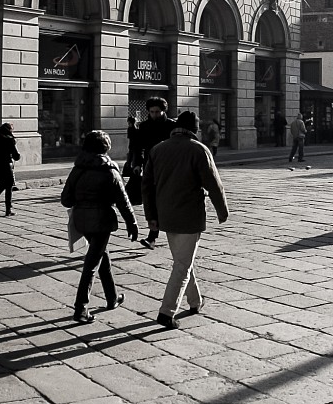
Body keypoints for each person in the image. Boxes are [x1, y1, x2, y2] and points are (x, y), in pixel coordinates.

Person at [142, 110, 226, 329]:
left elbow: (146, 186)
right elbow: (213, 184)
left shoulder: (157, 149)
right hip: (189, 215)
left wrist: (151, 215)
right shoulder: (198, 149)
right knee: (182, 265)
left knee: (183, 261)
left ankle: (195, 301)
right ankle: (167, 311)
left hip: (165, 215)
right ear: (195, 128)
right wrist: (222, 211)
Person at [59, 130, 139, 324]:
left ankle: (112, 298)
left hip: (82, 221)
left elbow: (65, 200)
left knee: (101, 256)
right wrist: (132, 223)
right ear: (106, 148)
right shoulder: (110, 170)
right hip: (102, 221)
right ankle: (81, 308)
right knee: (92, 263)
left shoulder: (78, 169)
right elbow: (123, 201)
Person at [127, 99, 172, 248]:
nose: (154, 115)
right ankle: (152, 237)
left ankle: (169, 231)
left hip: (167, 168)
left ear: (164, 111)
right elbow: (138, 147)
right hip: (149, 167)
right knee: (151, 201)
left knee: (165, 200)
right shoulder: (144, 126)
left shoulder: (171, 126)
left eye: (157, 112)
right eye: (151, 112)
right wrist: (137, 165)